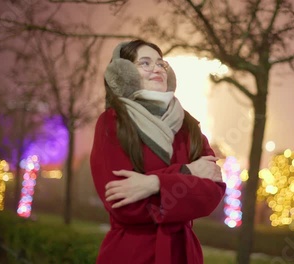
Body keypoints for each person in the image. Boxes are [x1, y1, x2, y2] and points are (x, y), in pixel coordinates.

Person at [90, 39, 226, 264]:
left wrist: (151, 184)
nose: (157, 68)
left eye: (161, 64)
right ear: (125, 74)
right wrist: (188, 172)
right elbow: (124, 205)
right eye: (145, 63)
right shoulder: (113, 123)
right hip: (132, 253)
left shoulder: (188, 125)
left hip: (183, 254)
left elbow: (212, 193)